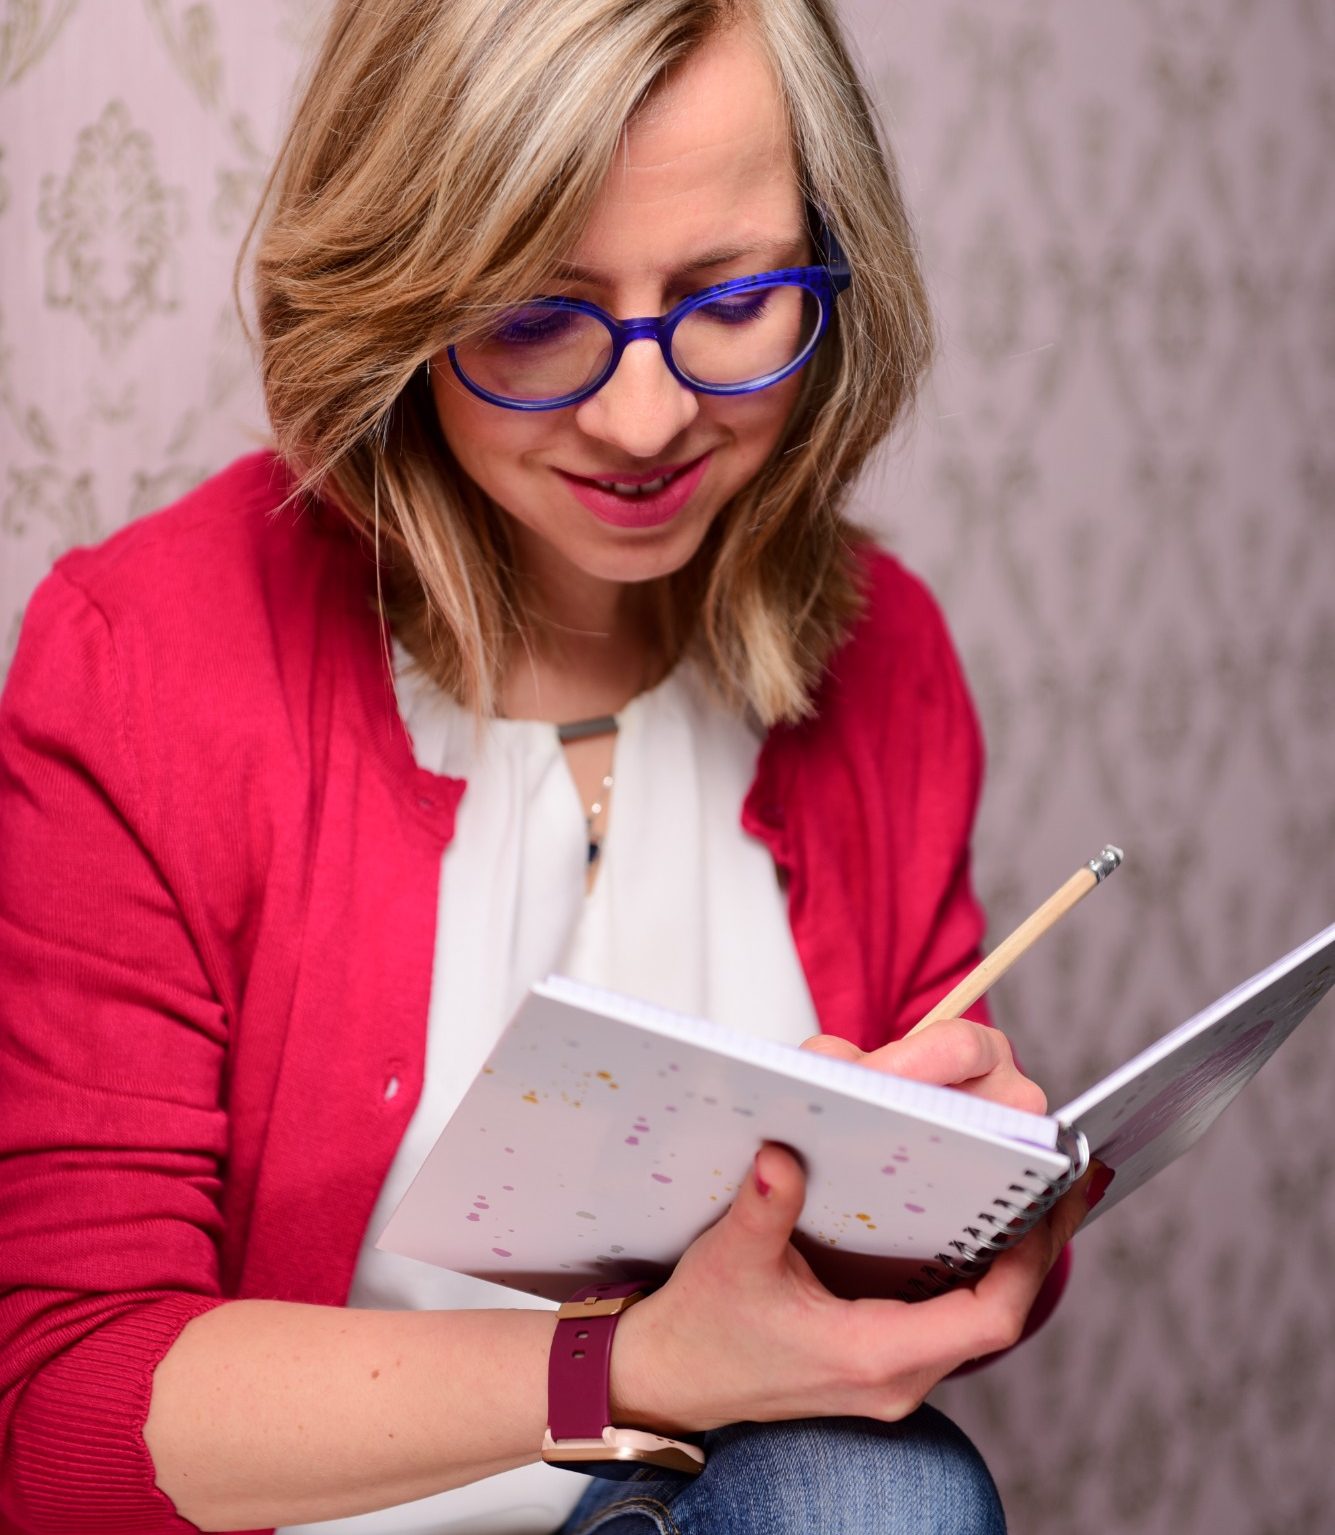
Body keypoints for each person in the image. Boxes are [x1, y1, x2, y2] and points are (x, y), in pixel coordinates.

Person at [0, 2, 1087, 1532]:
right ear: (403, 293)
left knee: (871, 1486)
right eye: (529, 316)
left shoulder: (889, 659)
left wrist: (945, 1222)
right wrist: (626, 1366)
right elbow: (63, 1422)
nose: (645, 418)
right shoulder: (144, 663)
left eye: (730, 299)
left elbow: (861, 1330)